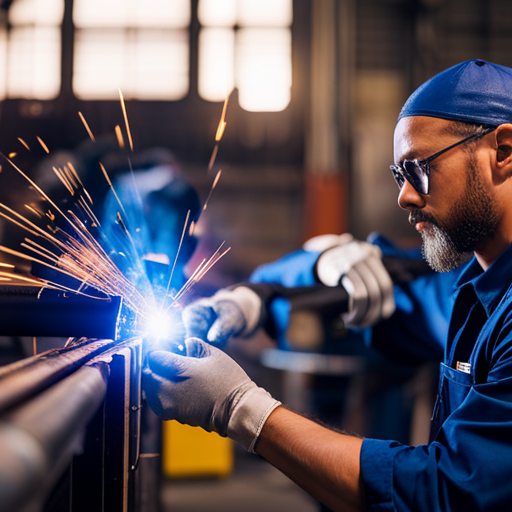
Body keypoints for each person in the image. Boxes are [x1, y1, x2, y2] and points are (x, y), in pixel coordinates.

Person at [143, 59, 512, 511]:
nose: (404, 196)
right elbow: (376, 279)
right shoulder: (468, 285)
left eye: (419, 169)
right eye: (400, 176)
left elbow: (445, 492)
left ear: (504, 149)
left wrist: (242, 410)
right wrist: (249, 300)